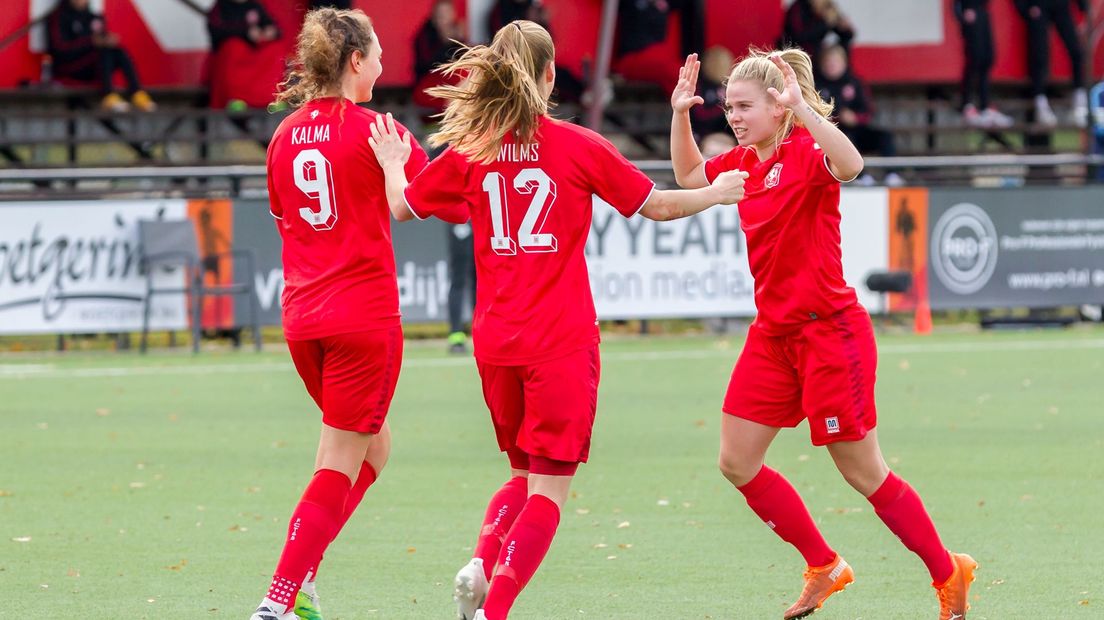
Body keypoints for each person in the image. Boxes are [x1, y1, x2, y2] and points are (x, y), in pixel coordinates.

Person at [367, 20, 746, 620]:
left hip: (495, 340)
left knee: (520, 473)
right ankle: (496, 609)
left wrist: (393, 161)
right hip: (560, 341)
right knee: (549, 489)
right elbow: (661, 205)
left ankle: (480, 562)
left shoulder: (472, 148)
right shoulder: (577, 144)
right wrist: (718, 192)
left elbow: (401, 205)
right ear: (549, 76)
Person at [669, 48, 977, 619]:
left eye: (744, 107)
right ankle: (824, 564)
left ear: (778, 108)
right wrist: (681, 113)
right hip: (773, 337)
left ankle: (946, 570)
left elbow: (853, 163)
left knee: (862, 472)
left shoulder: (809, 149)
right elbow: (688, 176)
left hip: (830, 335)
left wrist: (805, 110)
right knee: (736, 460)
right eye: (728, 106)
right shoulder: (743, 164)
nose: (733, 116)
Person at [251, 8, 457, 620]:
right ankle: (279, 600)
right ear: (354, 62)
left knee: (370, 450)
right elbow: (441, 198)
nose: (385, 63)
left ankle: (304, 579)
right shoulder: (379, 131)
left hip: (303, 319)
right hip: (361, 319)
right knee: (345, 459)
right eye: (377, 54)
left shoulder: (284, 135)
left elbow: (287, 220)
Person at [45, 0, 156, 112]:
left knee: (118, 51)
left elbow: (101, 40)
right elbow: (59, 50)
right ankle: (108, 95)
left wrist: (107, 41)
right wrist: (91, 42)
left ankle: (136, 92)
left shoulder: (94, 18)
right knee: (104, 52)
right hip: (69, 69)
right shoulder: (58, 17)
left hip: (94, 67)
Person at [816, 44, 903, 186]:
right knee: (847, 139)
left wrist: (855, 118)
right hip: (832, 135)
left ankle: (891, 174)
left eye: (835, 62)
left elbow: (868, 111)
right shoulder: (817, 86)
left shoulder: (854, 83)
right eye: (828, 62)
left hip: (857, 130)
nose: (831, 66)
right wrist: (837, 118)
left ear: (844, 63)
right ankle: (860, 176)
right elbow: (813, 115)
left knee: (884, 136)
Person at [1015, 0, 1088, 126]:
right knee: (1039, 55)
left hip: (1060, 5)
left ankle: (1080, 101)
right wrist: (1026, 7)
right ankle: (1040, 102)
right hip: (1039, 5)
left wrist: (1083, 8)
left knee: (1076, 51)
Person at [206, 0, 283, 111]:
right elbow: (217, 32)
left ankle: (270, 97)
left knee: (275, 49)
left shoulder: (255, 5)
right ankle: (236, 98)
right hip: (234, 52)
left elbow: (270, 25)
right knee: (234, 48)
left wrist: (270, 31)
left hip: (255, 51)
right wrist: (245, 33)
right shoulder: (220, 7)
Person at [954, 0, 1014, 128]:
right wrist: (963, 11)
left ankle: (985, 107)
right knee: (975, 58)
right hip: (969, 10)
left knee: (987, 58)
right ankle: (966, 105)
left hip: (982, 11)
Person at [413, 0, 467, 113]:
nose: (443, 18)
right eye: (440, 14)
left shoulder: (457, 32)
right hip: (428, 81)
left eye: (447, 13)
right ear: (433, 17)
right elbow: (430, 64)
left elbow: (463, 59)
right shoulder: (424, 35)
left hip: (451, 79)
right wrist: (447, 42)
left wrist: (460, 41)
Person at [779, 0, 854, 67]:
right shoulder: (798, 7)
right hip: (795, 52)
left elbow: (845, 36)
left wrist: (846, 30)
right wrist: (825, 23)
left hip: (817, 54)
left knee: (837, 55)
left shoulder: (827, 6)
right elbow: (797, 36)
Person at [446, 220, 476, 354]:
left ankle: (481, 332)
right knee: (458, 279)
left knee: (481, 280)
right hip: (461, 219)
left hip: (482, 221)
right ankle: (456, 335)